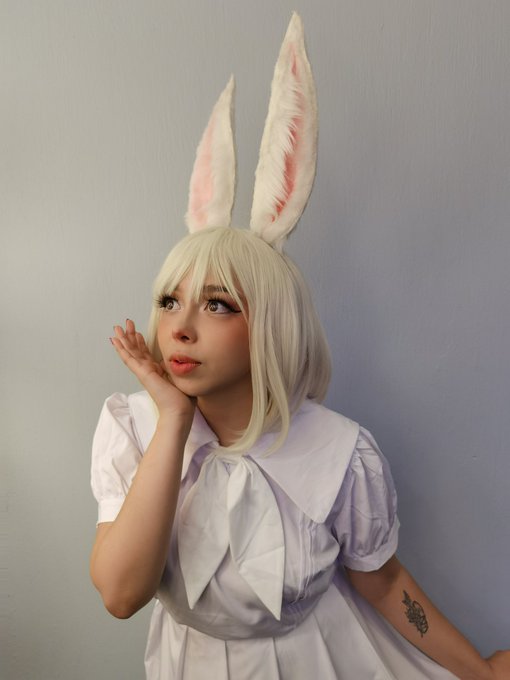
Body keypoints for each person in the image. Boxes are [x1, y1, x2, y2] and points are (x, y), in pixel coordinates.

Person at [90, 14, 510, 680]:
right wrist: (172, 419)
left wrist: (480, 671)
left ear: (272, 324)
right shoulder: (133, 429)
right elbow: (120, 595)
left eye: (218, 304)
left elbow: (383, 581)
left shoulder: (341, 454)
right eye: (170, 300)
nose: (180, 327)